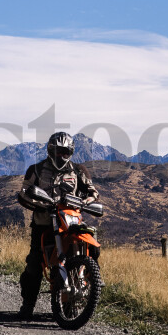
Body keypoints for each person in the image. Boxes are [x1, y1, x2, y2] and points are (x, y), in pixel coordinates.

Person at [16, 132, 99, 320]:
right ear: (49, 150)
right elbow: (23, 193)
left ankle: (88, 288)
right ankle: (28, 305)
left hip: (70, 222)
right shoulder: (35, 170)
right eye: (57, 152)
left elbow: (93, 192)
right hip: (43, 223)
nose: (61, 156)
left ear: (70, 152)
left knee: (91, 249)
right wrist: (38, 204)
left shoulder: (79, 171)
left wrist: (85, 201)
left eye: (65, 152)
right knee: (34, 263)